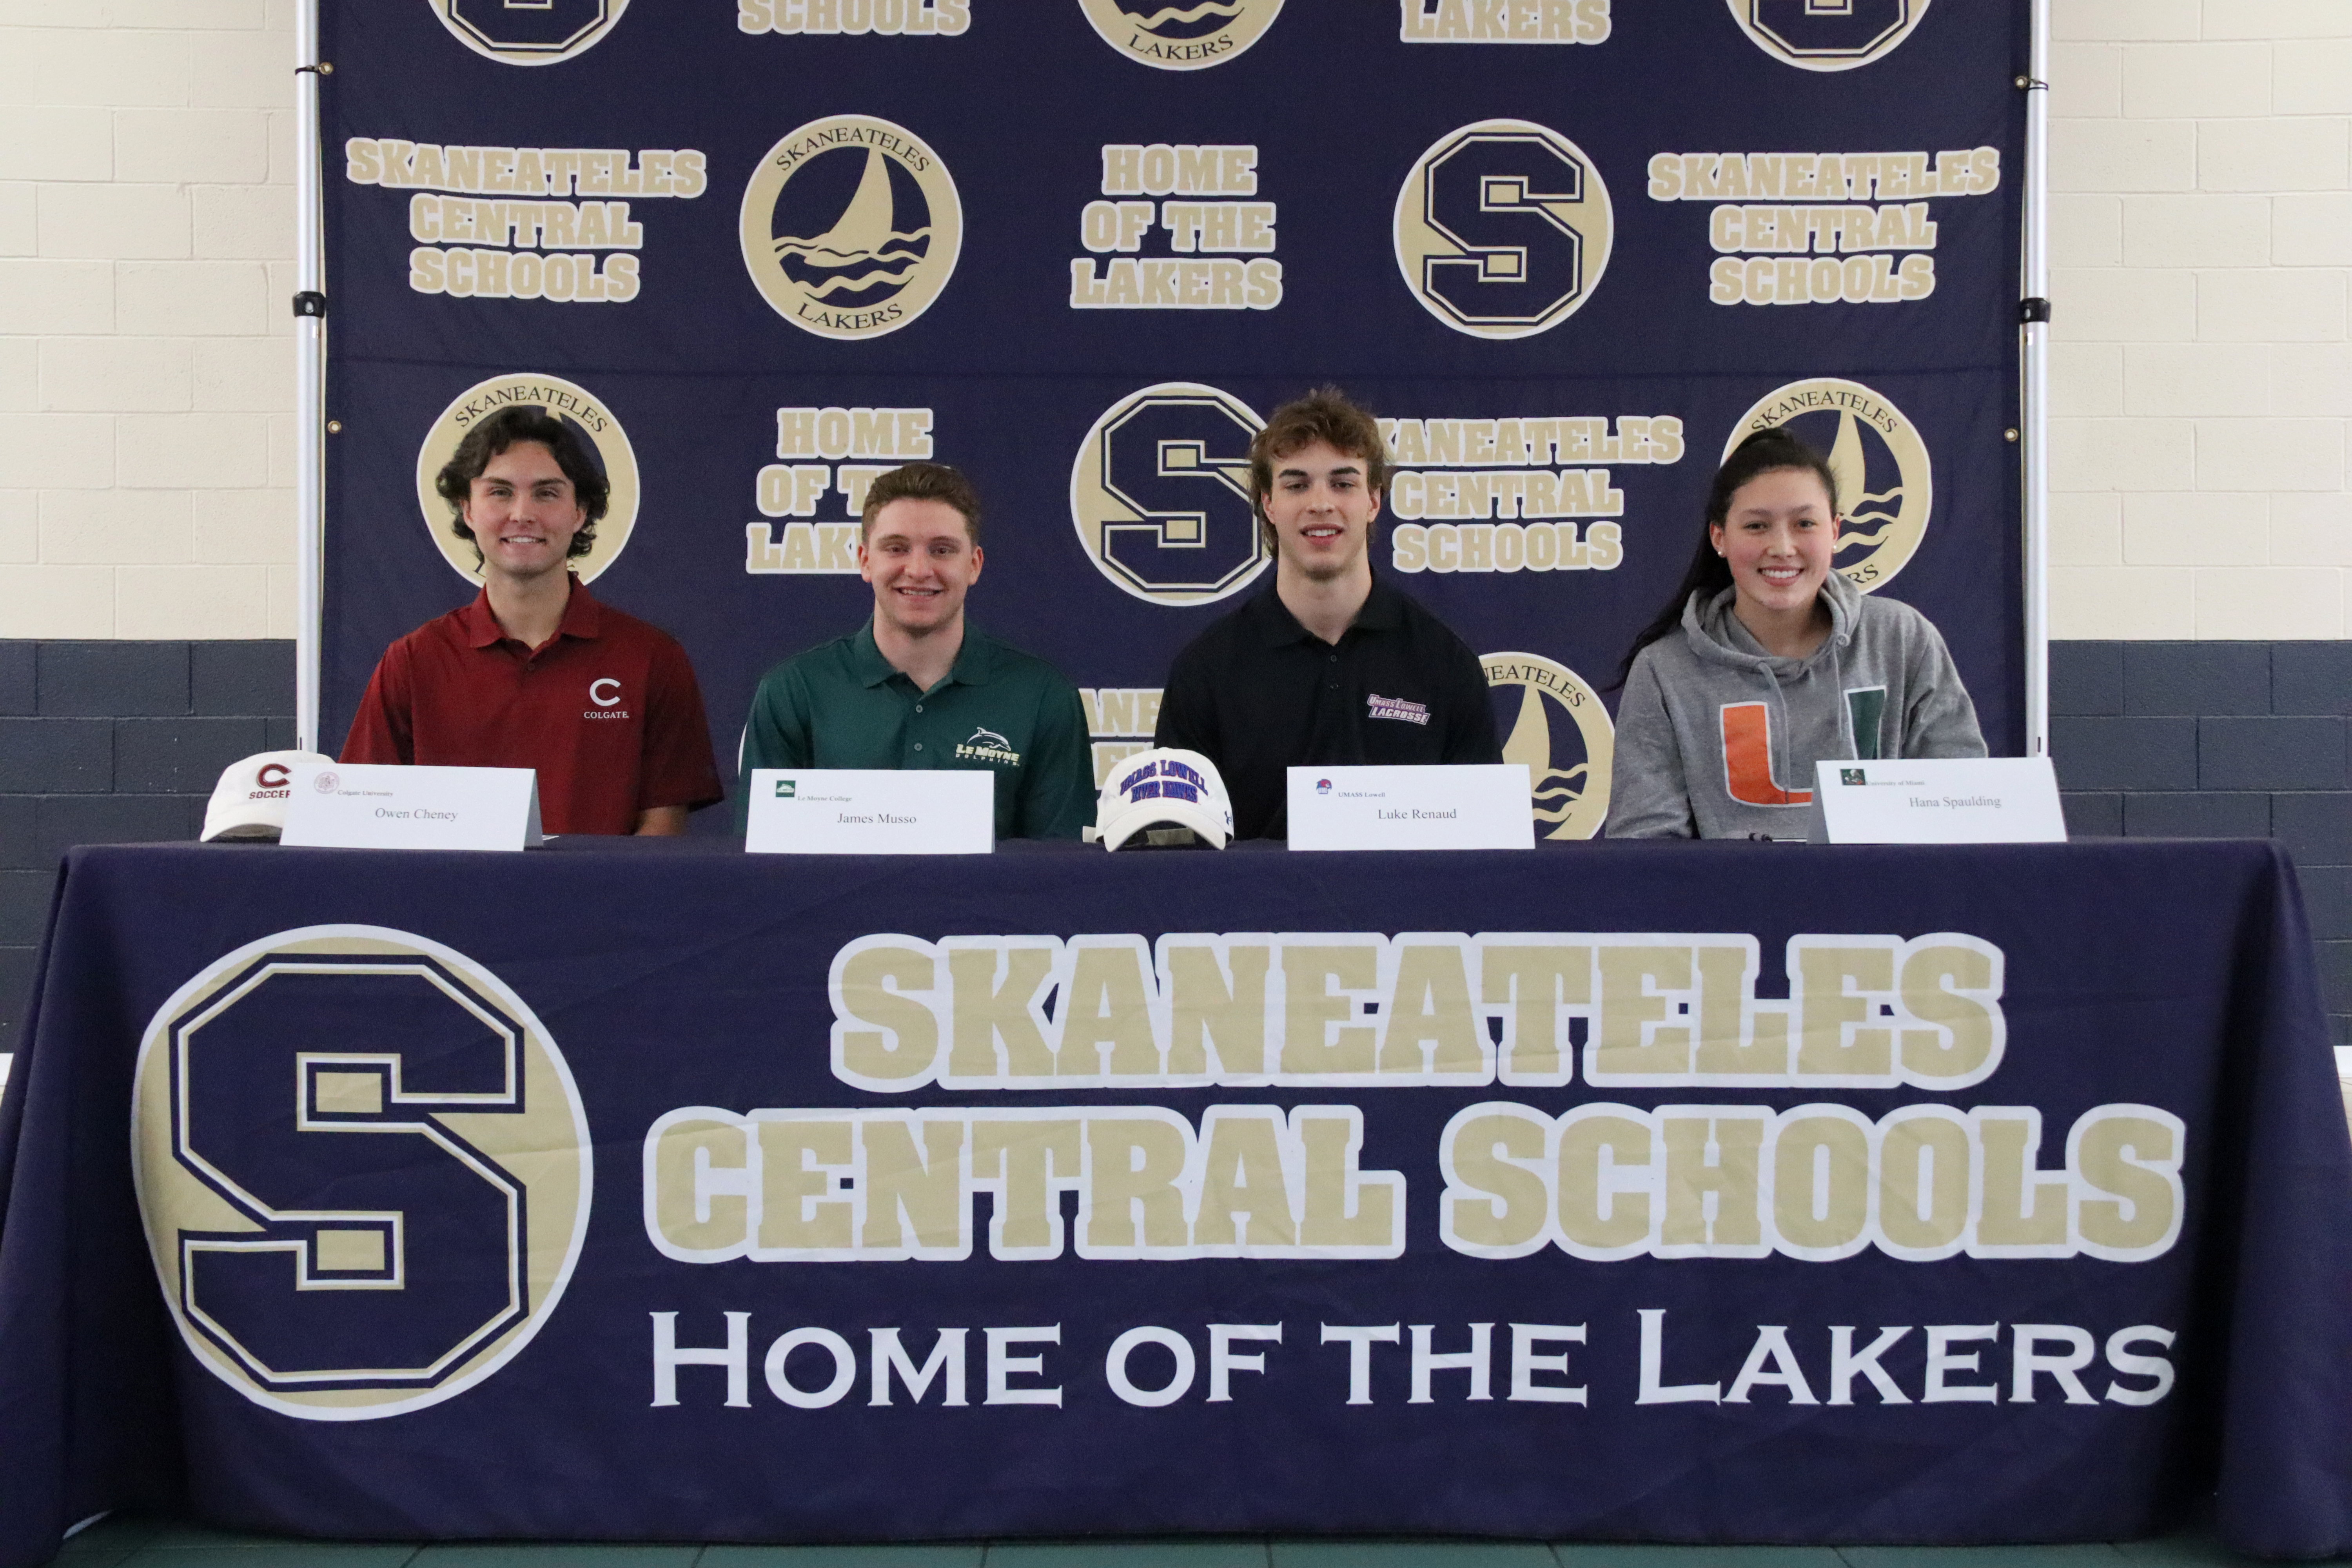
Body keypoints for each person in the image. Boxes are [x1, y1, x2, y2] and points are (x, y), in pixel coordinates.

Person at [341, 405, 723, 836]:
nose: (522, 513)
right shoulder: (412, 662)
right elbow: (364, 825)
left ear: (580, 511)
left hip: (601, 904)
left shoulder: (652, 659)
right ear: (467, 509)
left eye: (546, 493)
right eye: (500, 492)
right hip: (450, 905)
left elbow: (663, 832)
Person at [1154, 386, 1500, 840]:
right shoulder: (1206, 671)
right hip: (1257, 912)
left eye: (1343, 483)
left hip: (1409, 913)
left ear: (1374, 500)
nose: (1321, 502)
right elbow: (1175, 856)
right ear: (1268, 503)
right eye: (1297, 484)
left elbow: (1487, 846)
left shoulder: (1445, 664)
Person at [1606, 426, 1984, 840]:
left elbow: (1960, 804)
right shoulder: (1664, 670)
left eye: (1805, 523)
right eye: (1756, 526)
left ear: (1835, 531)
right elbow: (1646, 844)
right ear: (1720, 537)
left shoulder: (1903, 639)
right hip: (1729, 904)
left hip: (1880, 900)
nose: (1783, 547)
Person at [739, 462, 1094, 840]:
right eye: (897, 548)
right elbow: (762, 870)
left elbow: (1061, 877)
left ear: (973, 565)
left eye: (942, 550)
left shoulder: (1042, 697)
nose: (919, 569)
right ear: (864, 560)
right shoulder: (794, 692)